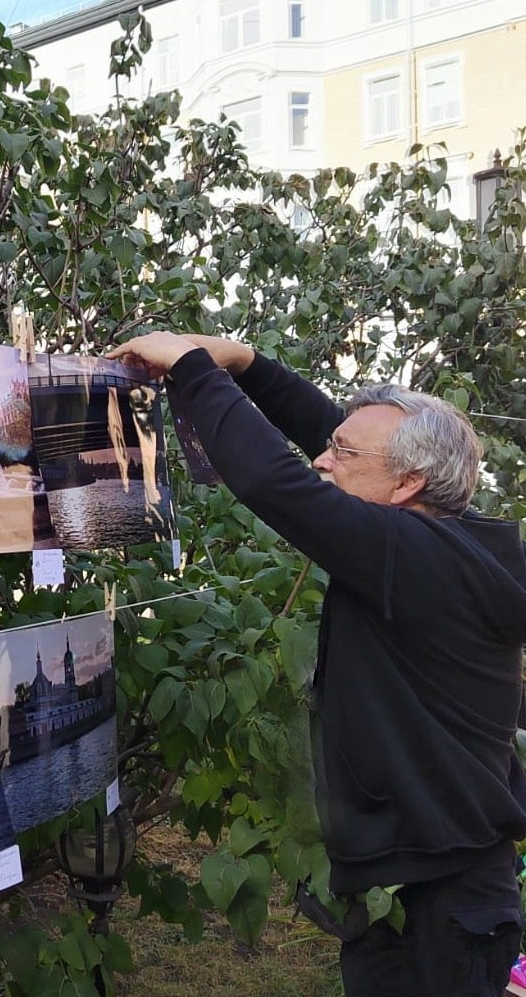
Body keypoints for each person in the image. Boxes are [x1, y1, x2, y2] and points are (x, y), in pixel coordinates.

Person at [107, 330, 526, 997]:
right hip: (435, 886)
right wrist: (245, 363)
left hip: (437, 911)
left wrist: (190, 367)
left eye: (341, 453)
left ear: (408, 482)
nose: (324, 460)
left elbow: (274, 482)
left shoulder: (411, 557)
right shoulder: (450, 539)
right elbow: (337, 436)